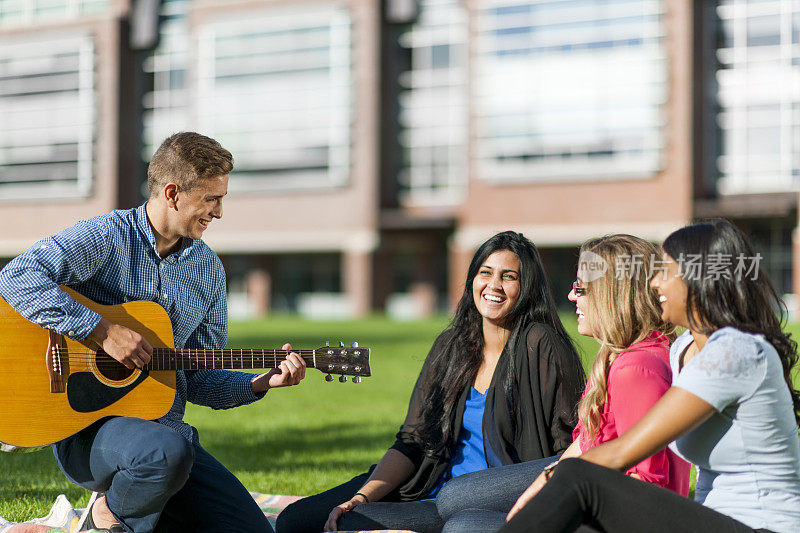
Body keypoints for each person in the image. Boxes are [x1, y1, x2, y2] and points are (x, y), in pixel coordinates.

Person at [0, 132, 307, 533]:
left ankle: (140, 506)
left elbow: (197, 380)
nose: (219, 212)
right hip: (84, 427)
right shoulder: (107, 236)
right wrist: (101, 330)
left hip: (167, 435)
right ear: (173, 193)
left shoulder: (209, 271)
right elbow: (17, 276)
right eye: (212, 199)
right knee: (165, 455)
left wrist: (258, 383)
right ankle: (105, 516)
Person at [501, 219, 800, 533]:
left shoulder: (733, 353)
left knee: (578, 480)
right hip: (711, 516)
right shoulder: (683, 348)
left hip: (764, 526)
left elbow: (623, 453)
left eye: (666, 272)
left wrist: (551, 478)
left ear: (699, 281)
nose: (655, 283)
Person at [276, 231, 585, 533]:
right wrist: (361, 497)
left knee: (457, 516)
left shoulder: (541, 345)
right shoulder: (453, 345)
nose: (494, 285)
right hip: (429, 488)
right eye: (485, 272)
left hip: (488, 503)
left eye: (509, 277)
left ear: (527, 287)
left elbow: (571, 445)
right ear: (472, 280)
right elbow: (413, 440)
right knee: (302, 520)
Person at [435, 234, 690, 532]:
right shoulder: (623, 357)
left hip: (614, 519)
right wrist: (538, 491)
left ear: (611, 294)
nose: (571, 297)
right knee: (454, 503)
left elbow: (646, 487)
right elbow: (585, 442)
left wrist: (559, 509)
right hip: (594, 499)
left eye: (580, 289)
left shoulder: (637, 369)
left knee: (462, 524)